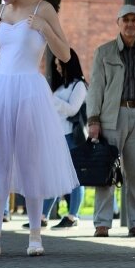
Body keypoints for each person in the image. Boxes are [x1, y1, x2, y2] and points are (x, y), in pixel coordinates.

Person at [0, 0, 78, 257]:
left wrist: (44, 28)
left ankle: (35, 235)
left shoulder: (43, 9)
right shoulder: (1, 11)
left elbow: (65, 54)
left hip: (29, 88)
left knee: (30, 159)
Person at [86, 4, 135, 238]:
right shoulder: (104, 52)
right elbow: (96, 88)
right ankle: (102, 224)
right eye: (126, 20)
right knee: (106, 171)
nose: (130, 24)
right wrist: (93, 119)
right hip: (112, 116)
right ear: (118, 22)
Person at [48, 49, 88, 229]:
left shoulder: (79, 85)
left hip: (72, 135)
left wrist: (52, 101)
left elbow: (72, 109)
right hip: (57, 135)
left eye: (59, 64)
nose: (57, 68)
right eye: (55, 65)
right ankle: (42, 215)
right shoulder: (60, 86)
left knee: (74, 176)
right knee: (53, 174)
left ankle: (73, 215)